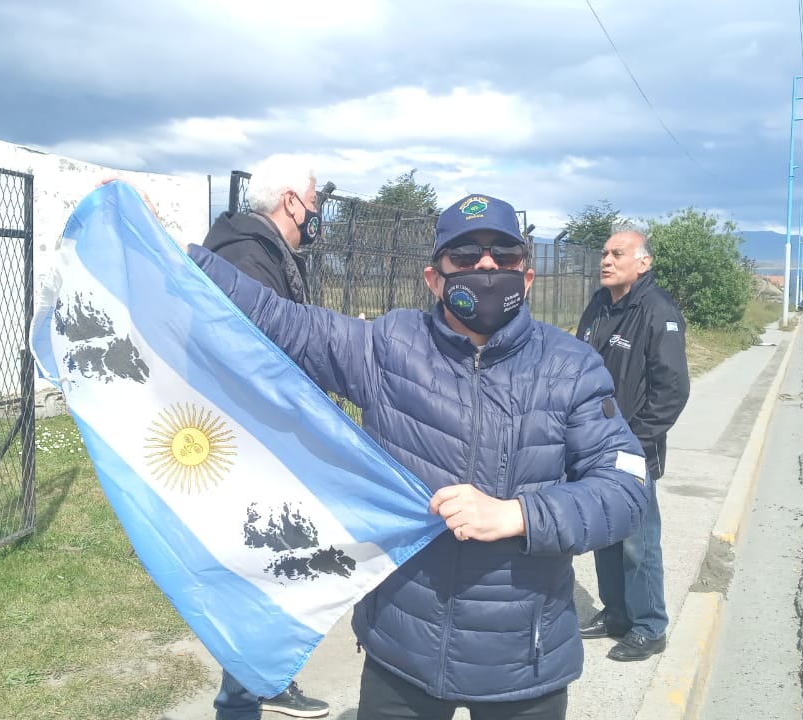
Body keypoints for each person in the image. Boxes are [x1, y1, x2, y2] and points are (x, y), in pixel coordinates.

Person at [185, 192, 651, 719]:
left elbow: (625, 489)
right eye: (466, 255)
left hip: (524, 662)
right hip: (401, 652)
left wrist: (517, 514)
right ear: (435, 278)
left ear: (526, 276)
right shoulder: (389, 347)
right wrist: (176, 254)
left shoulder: (572, 368)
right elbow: (278, 320)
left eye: (505, 254)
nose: (487, 265)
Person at [202, 156, 330, 720]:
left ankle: (265, 681)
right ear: (290, 202)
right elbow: (258, 358)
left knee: (276, 567)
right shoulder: (248, 257)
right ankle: (243, 697)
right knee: (260, 573)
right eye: (314, 205)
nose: (316, 217)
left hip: (262, 444)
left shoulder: (261, 250)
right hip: (249, 448)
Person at [575, 227, 690, 662]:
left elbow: (672, 391)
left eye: (616, 253)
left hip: (631, 450)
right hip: (593, 444)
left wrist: (632, 442)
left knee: (637, 541)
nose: (605, 260)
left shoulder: (658, 311)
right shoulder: (600, 305)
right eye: (604, 252)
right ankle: (617, 613)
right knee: (605, 532)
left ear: (642, 263)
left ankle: (649, 625)